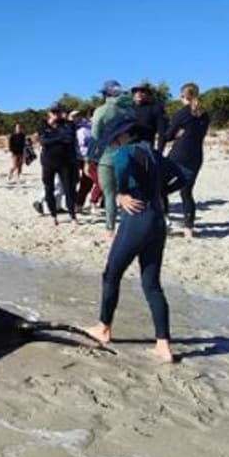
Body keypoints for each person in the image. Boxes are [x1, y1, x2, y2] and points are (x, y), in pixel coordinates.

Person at [85, 119, 174, 364]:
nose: (113, 142)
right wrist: (162, 193)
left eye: (115, 138)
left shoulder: (125, 152)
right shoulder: (154, 153)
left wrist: (122, 193)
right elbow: (183, 175)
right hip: (158, 221)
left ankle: (104, 328)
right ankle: (163, 345)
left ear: (123, 136)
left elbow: (121, 169)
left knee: (111, 274)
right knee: (152, 284)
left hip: (136, 221)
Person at [91, 80, 136, 240]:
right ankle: (127, 227)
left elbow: (95, 134)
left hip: (107, 156)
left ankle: (110, 230)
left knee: (110, 194)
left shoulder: (102, 110)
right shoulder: (129, 110)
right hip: (128, 154)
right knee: (127, 191)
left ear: (105, 94)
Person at [164, 82, 210, 238]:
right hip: (196, 156)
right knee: (187, 192)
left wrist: (177, 134)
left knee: (160, 186)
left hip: (179, 154)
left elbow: (167, 136)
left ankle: (164, 220)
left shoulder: (182, 114)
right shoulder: (204, 114)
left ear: (183, 96)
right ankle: (189, 227)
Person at [36, 106, 78, 225]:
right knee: (49, 189)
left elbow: (70, 138)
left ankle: (73, 216)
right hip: (48, 162)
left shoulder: (68, 124)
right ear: (49, 113)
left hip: (65, 162)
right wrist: (59, 137)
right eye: (54, 112)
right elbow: (43, 141)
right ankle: (53, 215)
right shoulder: (43, 125)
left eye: (58, 112)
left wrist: (52, 137)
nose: (57, 114)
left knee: (69, 189)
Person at [72, 110, 96, 210]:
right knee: (74, 180)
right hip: (76, 157)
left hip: (87, 157)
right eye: (74, 116)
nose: (76, 118)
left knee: (87, 180)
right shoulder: (74, 127)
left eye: (78, 115)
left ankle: (78, 203)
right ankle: (76, 202)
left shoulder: (89, 127)